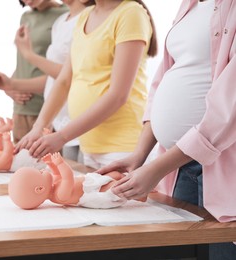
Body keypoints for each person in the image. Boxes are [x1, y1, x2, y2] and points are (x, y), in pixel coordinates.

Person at [96, 0, 236, 259]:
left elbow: (230, 110)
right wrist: (141, 155)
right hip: (179, 167)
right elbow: (161, 80)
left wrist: (157, 168)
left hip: (221, 171)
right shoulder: (189, 4)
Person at [12, 0, 158, 169]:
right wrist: (39, 127)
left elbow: (118, 96)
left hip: (123, 148)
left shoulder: (131, 13)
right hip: (89, 147)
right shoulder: (84, 17)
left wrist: (62, 136)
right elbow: (64, 81)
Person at [0, 0, 94, 163]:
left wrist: (28, 57)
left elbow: (68, 76)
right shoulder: (60, 22)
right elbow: (60, 79)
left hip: (77, 118)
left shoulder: (88, 17)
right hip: (58, 117)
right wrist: (10, 84)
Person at [1, 0, 69, 144]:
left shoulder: (66, 15)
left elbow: (64, 70)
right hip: (21, 108)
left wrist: (14, 84)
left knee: (50, 163)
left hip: (46, 106)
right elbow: (23, 59)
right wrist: (10, 88)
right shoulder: (25, 17)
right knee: (16, 162)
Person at [8, 152, 145, 210]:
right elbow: (67, 177)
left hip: (90, 183)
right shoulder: (59, 196)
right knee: (117, 187)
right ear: (40, 189)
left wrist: (52, 164)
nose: (43, 171)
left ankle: (133, 183)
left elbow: (57, 174)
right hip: (93, 193)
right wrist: (60, 163)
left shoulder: (53, 185)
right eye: (40, 173)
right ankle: (142, 195)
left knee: (115, 174)